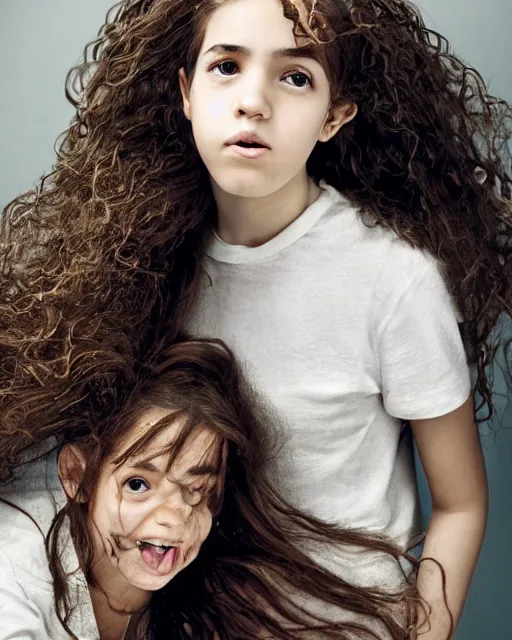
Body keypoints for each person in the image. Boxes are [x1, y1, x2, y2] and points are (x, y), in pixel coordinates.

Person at [0, 0, 510, 636]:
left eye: (296, 77)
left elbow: (460, 504)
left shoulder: (393, 282)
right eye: (226, 66)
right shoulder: (137, 267)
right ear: (186, 92)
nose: (253, 102)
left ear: (335, 115)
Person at [0, 339, 422, 640]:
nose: (172, 518)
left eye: (196, 492)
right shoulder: (15, 571)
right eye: (138, 484)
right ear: (77, 476)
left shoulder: (206, 593)